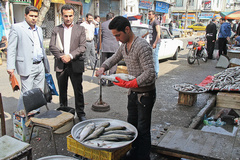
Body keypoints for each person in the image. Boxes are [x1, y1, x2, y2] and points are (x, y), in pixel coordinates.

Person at [96, 16, 156, 160]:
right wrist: (103, 67)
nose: (116, 39)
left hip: (145, 95)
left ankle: (143, 157)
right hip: (133, 94)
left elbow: (150, 73)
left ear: (127, 29)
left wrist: (133, 83)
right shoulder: (124, 46)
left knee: (143, 130)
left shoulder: (141, 46)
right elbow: (114, 58)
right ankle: (133, 153)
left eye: (118, 35)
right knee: (131, 127)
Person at [7, 6, 50, 111]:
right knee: (26, 93)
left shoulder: (38, 29)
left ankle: (35, 115)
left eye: (36, 16)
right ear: (25, 16)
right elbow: (11, 48)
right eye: (31, 16)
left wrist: (45, 65)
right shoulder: (17, 28)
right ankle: (21, 118)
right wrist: (10, 67)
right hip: (26, 65)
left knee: (38, 92)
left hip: (39, 65)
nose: (34, 18)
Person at [49, 4, 87, 121]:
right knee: (62, 90)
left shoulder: (80, 29)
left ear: (74, 15)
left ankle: (80, 113)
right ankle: (63, 112)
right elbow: (52, 46)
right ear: (62, 15)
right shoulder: (56, 29)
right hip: (61, 64)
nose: (68, 18)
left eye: (70, 16)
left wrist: (70, 56)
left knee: (78, 90)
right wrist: (62, 56)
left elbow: (82, 47)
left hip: (75, 63)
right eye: (66, 16)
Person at [100, 12, 119, 86]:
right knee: (113, 63)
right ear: (113, 17)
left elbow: (100, 36)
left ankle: (103, 80)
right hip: (114, 46)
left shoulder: (102, 24)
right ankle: (111, 80)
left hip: (104, 46)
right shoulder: (116, 25)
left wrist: (99, 46)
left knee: (104, 63)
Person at [148, 10, 161, 77]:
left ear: (154, 15)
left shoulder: (156, 22)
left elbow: (158, 33)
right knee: (151, 58)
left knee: (155, 57)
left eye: (150, 14)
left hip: (155, 43)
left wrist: (155, 43)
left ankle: (156, 72)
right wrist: (144, 35)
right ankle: (152, 72)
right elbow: (150, 31)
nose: (149, 16)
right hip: (151, 42)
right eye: (148, 14)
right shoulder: (150, 22)